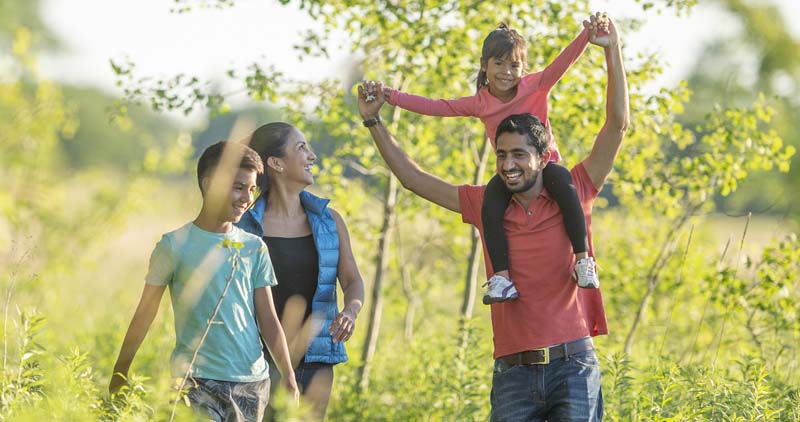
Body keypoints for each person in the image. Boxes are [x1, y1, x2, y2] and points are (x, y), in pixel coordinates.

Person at [359, 13, 627, 420]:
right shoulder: (487, 204)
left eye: (519, 155)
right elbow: (413, 178)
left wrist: (611, 50)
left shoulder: (575, 187)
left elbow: (617, 124)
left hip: (573, 365)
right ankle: (500, 279)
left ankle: (583, 261)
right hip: (513, 373)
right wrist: (374, 119)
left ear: (541, 157)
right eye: (502, 155)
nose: (509, 164)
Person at [381, 18, 602, 305]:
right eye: (499, 64)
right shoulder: (480, 102)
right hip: (510, 172)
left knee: (565, 187)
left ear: (523, 68)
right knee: (491, 207)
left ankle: (583, 261)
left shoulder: (536, 86)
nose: (506, 72)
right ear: (485, 65)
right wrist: (390, 96)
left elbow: (563, 63)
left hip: (544, 165)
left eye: (514, 66)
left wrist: (588, 34)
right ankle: (502, 279)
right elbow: (436, 106)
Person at [109, 141, 299, 421]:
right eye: (238, 187)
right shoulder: (174, 245)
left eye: (252, 188)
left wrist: (288, 374)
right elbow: (145, 314)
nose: (247, 197)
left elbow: (268, 319)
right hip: (195, 380)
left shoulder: (253, 247)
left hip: (251, 383)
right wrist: (120, 370)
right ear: (210, 184)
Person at [235, 122, 365, 419]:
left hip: (317, 360)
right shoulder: (245, 227)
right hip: (258, 361)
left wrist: (350, 311)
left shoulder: (329, 221)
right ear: (276, 163)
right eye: (301, 147)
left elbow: (352, 280)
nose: (312, 156)